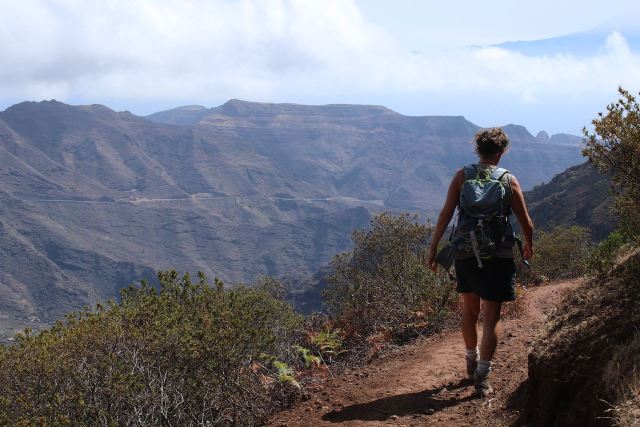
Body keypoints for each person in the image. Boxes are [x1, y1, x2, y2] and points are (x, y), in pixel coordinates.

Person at [426, 127, 534, 398]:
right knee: (492, 316)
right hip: (497, 254)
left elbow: (445, 214)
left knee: (470, 311)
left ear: (478, 150)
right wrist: (529, 244)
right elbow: (525, 221)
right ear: (502, 151)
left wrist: (433, 248)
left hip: (464, 251)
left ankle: (471, 360)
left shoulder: (462, 176)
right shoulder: (509, 180)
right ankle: (482, 378)